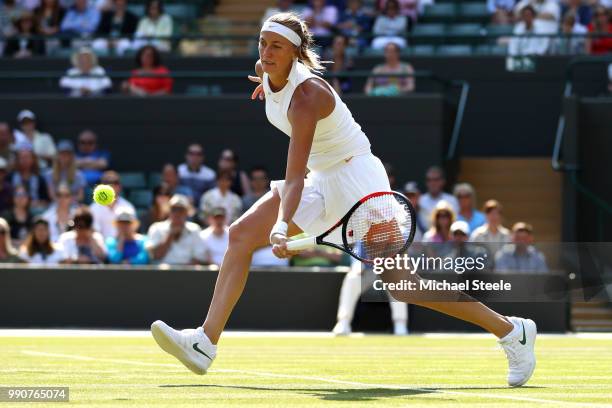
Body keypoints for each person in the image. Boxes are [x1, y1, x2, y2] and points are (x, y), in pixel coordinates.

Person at [151, 12, 538, 389]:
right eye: (263, 44)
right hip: (321, 177)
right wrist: (269, 85)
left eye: (277, 47)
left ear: (296, 53)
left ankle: (512, 331)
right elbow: (296, 152)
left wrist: (283, 227)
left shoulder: (308, 97)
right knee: (240, 236)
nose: (267, 53)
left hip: (358, 180)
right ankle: (205, 342)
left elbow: (293, 174)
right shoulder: (268, 68)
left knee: (402, 285)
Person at [145, 194, 201, 265]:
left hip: (189, 272)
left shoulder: (195, 229)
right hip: (163, 273)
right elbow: (155, 256)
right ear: (169, 211)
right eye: (174, 209)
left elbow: (199, 258)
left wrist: (185, 271)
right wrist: (170, 235)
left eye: (181, 210)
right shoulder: (156, 227)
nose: (177, 213)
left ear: (186, 212)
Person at [89, 170, 136, 238]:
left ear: (119, 186)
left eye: (114, 183)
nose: (110, 186)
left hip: (121, 245)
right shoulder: (94, 208)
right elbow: (94, 233)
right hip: (100, 246)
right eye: (106, 183)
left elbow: (131, 231)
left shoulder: (127, 207)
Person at [9, 144, 50, 212]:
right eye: (22, 157)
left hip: (35, 210)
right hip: (15, 210)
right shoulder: (10, 177)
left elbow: (46, 200)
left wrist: (38, 202)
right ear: (17, 160)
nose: (25, 160)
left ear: (33, 159)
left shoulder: (40, 179)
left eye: (27, 157)